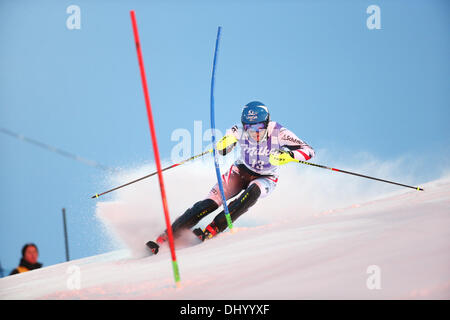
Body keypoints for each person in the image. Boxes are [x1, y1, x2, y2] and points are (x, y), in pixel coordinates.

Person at [150, 101, 315, 251]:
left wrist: (288, 156)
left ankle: (214, 227)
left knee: (252, 193)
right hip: (240, 171)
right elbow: (224, 147)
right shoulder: (238, 130)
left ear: (266, 123)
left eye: (258, 127)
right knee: (209, 204)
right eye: (249, 128)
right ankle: (169, 235)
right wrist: (223, 145)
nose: (254, 132)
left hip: (266, 177)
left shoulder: (280, 132)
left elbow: (309, 151)